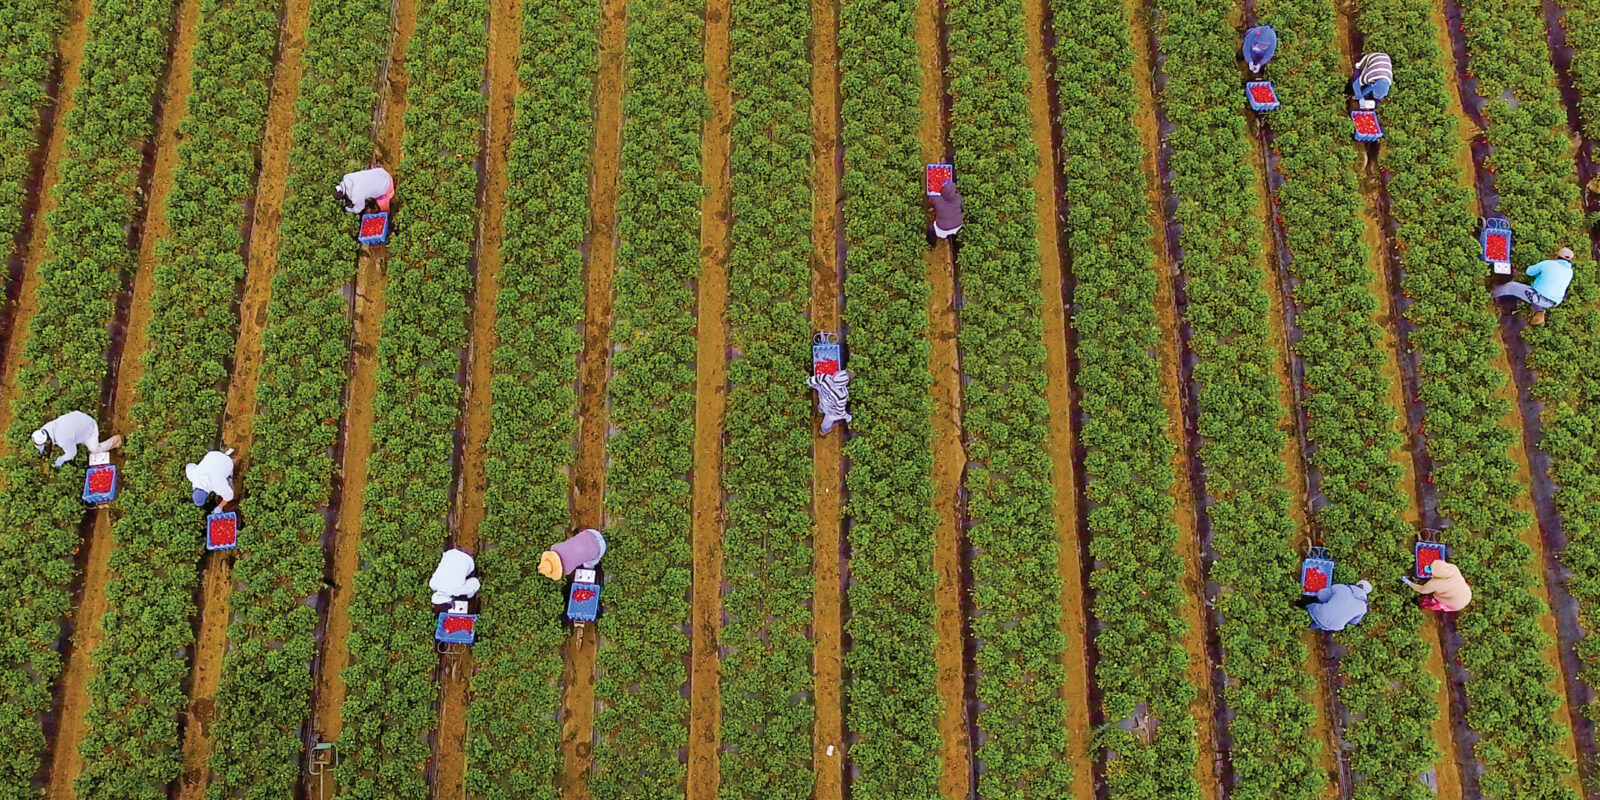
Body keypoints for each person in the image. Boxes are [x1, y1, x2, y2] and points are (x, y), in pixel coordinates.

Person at [1493, 247, 1574, 325]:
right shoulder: (1570, 272)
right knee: (1536, 296)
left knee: (1511, 286)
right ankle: (1539, 312)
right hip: (1552, 302)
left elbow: (1529, 272)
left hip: (1538, 296)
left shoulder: (1548, 263)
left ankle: (1490, 294)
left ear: (1557, 256)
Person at [32, 411, 121, 469]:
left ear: (48, 440)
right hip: (80, 418)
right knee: (72, 438)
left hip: (89, 428)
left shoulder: (62, 439)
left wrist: (62, 459)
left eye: (45, 444)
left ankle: (117, 440)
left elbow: (72, 453)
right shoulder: (45, 428)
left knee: (95, 449)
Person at [1404, 559, 1473, 612]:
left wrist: (1408, 582)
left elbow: (1422, 590)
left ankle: (1420, 604)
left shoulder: (1436, 584)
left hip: (1456, 604)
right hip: (1466, 593)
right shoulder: (1453, 568)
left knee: (1433, 602)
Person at [538, 528, 608, 580]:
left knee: (588, 565)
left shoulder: (567, 570)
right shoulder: (555, 547)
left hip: (601, 548)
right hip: (592, 532)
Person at [1306, 579, 1372, 632]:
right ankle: (1312, 626)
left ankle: (1305, 614)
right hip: (1336, 626)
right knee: (1324, 623)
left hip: (1321, 614)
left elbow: (1321, 596)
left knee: (1311, 607)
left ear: (1358, 584)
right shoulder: (1363, 608)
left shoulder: (1341, 587)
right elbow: (1354, 622)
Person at [808, 369, 853, 435]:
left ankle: (819, 413)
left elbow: (810, 381)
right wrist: (848, 417)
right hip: (830, 411)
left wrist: (818, 388)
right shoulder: (842, 395)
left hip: (822, 401)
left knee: (820, 408)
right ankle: (823, 432)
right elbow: (840, 412)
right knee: (826, 424)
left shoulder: (826, 378)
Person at [927, 179, 964, 246]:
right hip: (957, 226)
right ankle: (955, 242)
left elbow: (931, 203)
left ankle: (932, 244)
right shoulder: (959, 198)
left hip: (942, 229)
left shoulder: (936, 200)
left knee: (931, 229)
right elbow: (962, 208)